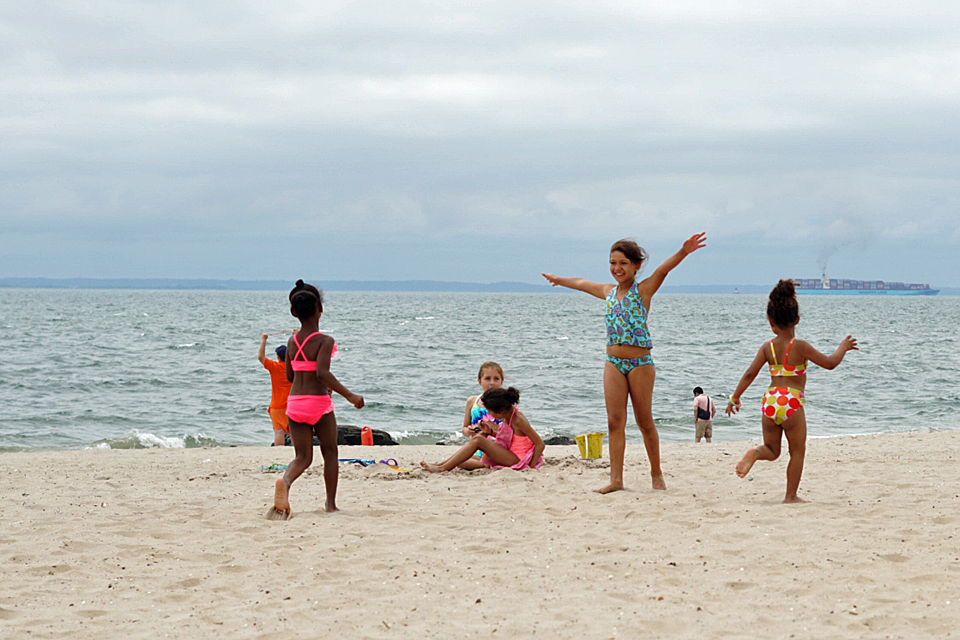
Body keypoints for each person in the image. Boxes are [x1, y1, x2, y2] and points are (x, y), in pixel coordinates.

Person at [542, 233, 706, 493]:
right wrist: (558, 280)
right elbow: (583, 283)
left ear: (636, 266)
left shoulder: (643, 290)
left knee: (644, 421)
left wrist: (683, 251)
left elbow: (663, 270)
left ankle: (656, 474)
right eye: (613, 263)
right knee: (614, 421)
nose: (617, 268)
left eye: (623, 263)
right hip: (613, 363)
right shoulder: (607, 291)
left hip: (640, 363)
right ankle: (616, 480)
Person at [725, 279, 857, 503]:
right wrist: (842, 348)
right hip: (791, 403)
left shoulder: (767, 347)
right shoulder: (800, 346)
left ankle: (756, 453)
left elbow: (750, 373)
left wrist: (735, 397)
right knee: (797, 452)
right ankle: (790, 496)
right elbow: (830, 363)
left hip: (770, 400)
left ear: (770, 322)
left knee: (772, 449)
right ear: (797, 319)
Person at [267, 280, 364, 519]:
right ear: (320, 308)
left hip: (295, 403)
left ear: (293, 312)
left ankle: (286, 482)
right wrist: (350, 395)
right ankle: (330, 505)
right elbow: (322, 373)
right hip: (318, 403)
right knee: (330, 452)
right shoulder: (325, 341)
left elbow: (290, 375)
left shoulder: (292, 342)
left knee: (302, 457)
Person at [420, 387, 544, 473]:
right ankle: (441, 465)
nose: (488, 414)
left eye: (489, 411)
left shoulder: (518, 419)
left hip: (518, 459)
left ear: (499, 412)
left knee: (478, 440)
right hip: (510, 454)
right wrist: (490, 432)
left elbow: (540, 444)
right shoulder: (509, 415)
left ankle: (442, 468)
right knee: (462, 461)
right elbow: (512, 438)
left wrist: (529, 467)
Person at [258, 335, 292, 446]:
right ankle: (298, 452)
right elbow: (300, 355)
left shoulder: (274, 367)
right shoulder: (293, 367)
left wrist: (263, 340)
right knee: (295, 431)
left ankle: (279, 452)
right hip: (292, 404)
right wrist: (296, 336)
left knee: (279, 431)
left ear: (277, 357)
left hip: (277, 405)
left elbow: (261, 357)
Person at [461, 361, 504, 438]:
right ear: (480, 381)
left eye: (496, 379)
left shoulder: (506, 404)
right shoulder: (472, 401)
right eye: (487, 379)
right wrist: (469, 431)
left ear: (501, 381)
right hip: (477, 446)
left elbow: (512, 432)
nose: (492, 383)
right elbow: (465, 428)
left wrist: (492, 428)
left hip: (498, 446)